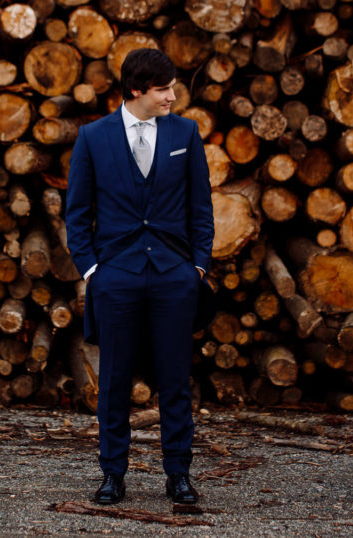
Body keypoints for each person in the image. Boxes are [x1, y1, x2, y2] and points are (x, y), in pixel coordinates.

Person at [64, 48, 214, 505]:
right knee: (113, 380)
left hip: (173, 276)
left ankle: (179, 474)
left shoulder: (185, 133)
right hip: (116, 278)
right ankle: (112, 473)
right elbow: (77, 214)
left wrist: (197, 268)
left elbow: (201, 209)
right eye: (163, 88)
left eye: (172, 87)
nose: (172, 95)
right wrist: (93, 271)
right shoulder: (93, 137)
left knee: (174, 378)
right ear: (136, 90)